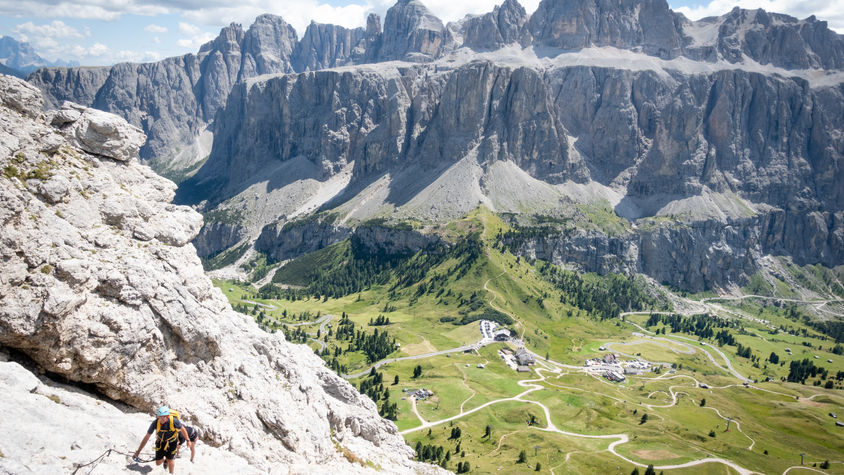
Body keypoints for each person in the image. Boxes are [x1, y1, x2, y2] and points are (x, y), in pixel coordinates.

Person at [133, 406, 190, 473]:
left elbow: (183, 429)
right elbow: (146, 437)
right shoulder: (155, 423)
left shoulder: (174, 421)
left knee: (170, 459)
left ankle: (171, 472)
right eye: (160, 417)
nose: (161, 419)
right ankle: (164, 459)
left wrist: (188, 440)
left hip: (172, 442)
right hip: (160, 442)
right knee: (158, 463)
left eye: (164, 417)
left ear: (168, 416)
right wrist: (138, 451)